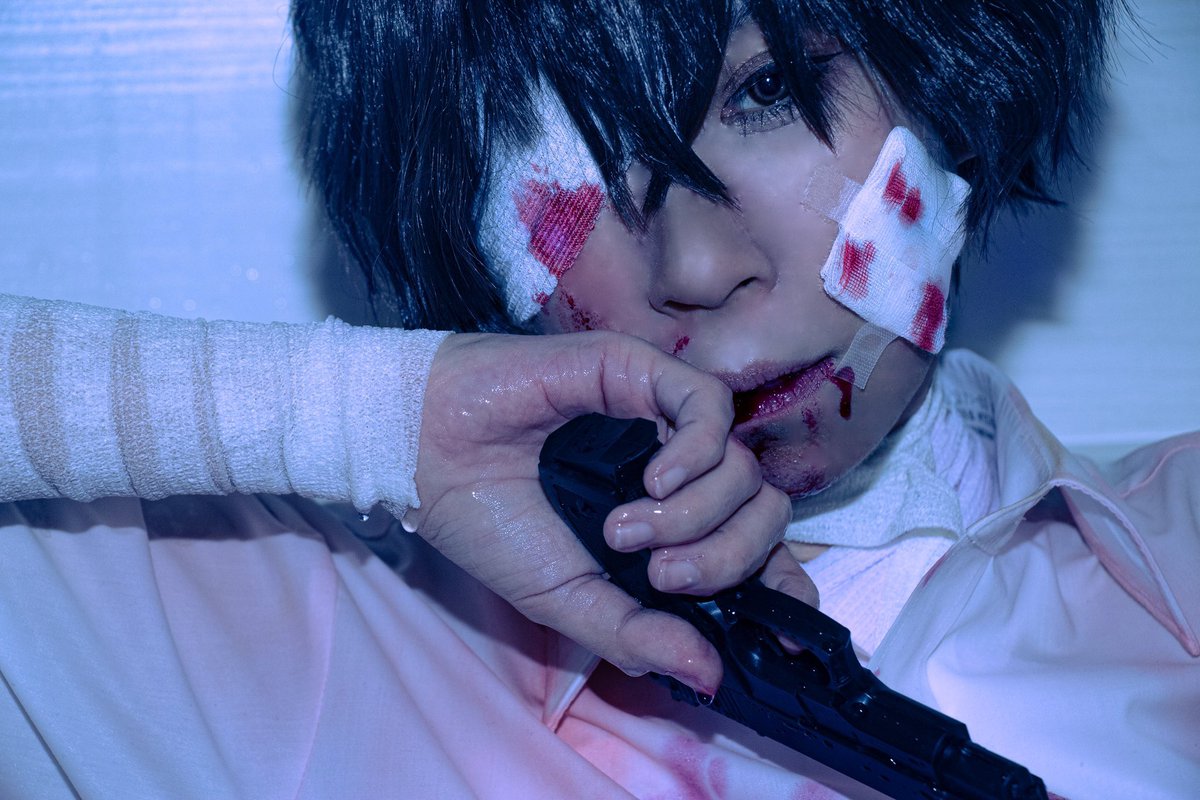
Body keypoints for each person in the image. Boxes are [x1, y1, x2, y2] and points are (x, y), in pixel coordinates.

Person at [0, 2, 1196, 800]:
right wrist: (367, 413)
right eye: (560, 180)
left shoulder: (1175, 563)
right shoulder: (307, 648)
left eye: (767, 90)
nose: (695, 264)